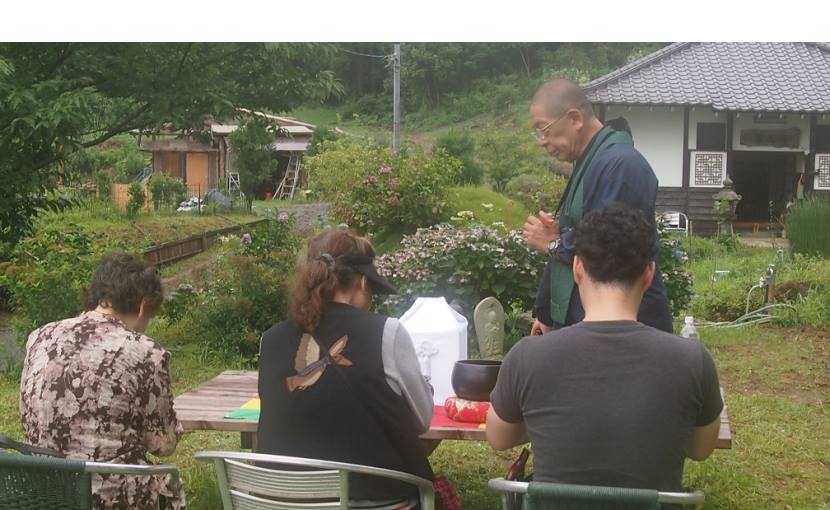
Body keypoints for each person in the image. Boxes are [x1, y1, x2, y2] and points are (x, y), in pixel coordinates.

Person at [488, 204, 723, 495]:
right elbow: (701, 449)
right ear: (649, 274)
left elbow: (498, 437)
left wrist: (551, 422)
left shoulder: (528, 355)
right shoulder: (693, 360)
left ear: (577, 268)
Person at [256, 228, 434, 509]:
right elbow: (422, 420)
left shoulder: (270, 339)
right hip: (373, 500)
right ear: (363, 282)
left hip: (281, 501)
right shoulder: (387, 332)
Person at [20, 251, 183, 510]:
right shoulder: (145, 352)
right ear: (144, 305)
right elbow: (163, 444)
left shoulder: (40, 337)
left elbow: (29, 420)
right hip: (110, 497)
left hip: (46, 492)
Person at [524, 79, 673, 334]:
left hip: (627, 331)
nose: (542, 141)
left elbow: (609, 246)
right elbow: (581, 232)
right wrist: (547, 313)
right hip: (591, 325)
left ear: (574, 119)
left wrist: (553, 244)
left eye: (544, 129)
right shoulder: (592, 161)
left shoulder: (621, 165)